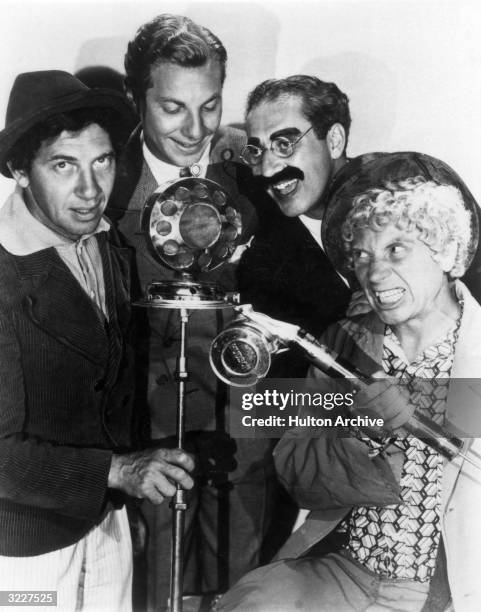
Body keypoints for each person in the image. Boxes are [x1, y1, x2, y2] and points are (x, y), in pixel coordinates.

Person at [215, 154, 481, 611]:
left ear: (446, 247)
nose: (375, 274)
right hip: (345, 571)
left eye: (397, 248)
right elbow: (298, 475)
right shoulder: (345, 343)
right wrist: (363, 433)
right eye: (362, 254)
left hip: (451, 589)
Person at [0, 70, 195, 611]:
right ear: (20, 169)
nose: (90, 190)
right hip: (23, 550)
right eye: (63, 165)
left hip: (107, 523)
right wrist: (119, 470)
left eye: (102, 161)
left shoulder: (107, 246)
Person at [106, 14, 275, 610]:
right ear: (137, 98)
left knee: (234, 594)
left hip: (240, 445)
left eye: (210, 106)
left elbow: (319, 296)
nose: (194, 127)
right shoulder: (100, 189)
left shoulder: (249, 181)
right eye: (174, 107)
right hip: (146, 444)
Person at [237, 75, 353, 377]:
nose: (267, 168)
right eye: (256, 150)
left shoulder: (409, 198)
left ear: (334, 140)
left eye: (284, 144)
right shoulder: (262, 261)